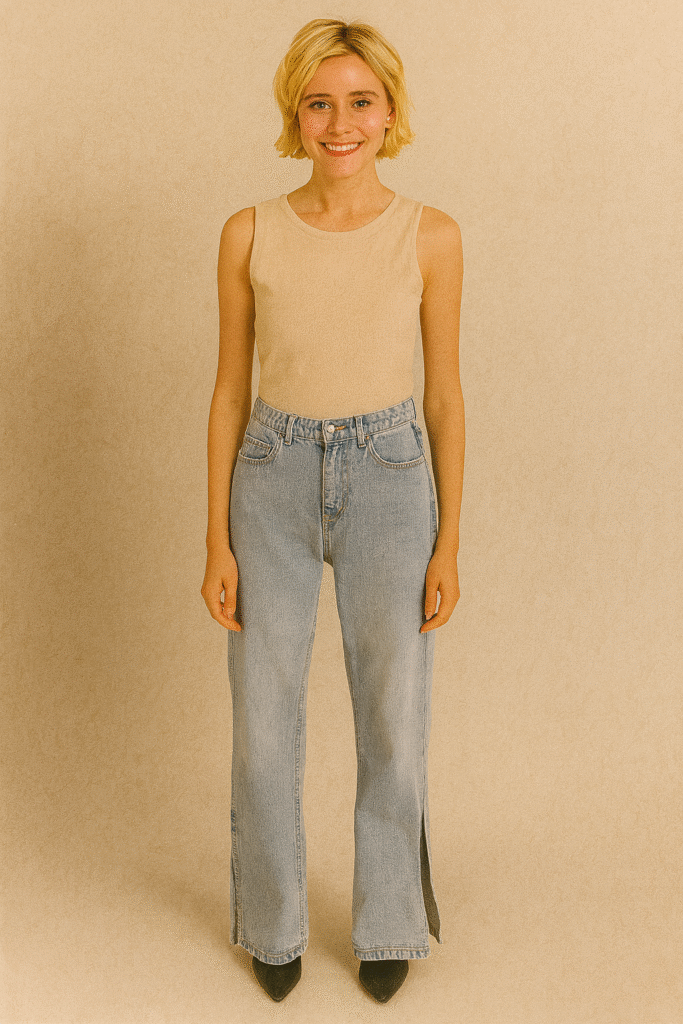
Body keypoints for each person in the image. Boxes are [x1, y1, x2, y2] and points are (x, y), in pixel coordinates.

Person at [201, 17, 464, 1004]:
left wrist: (448, 539)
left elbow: (444, 397)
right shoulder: (248, 232)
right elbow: (228, 390)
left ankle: (388, 917)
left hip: (390, 475)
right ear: (294, 113)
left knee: (391, 710)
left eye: (359, 101)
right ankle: (270, 924)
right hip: (270, 475)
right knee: (262, 714)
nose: (339, 122)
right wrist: (216, 536)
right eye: (319, 102)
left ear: (389, 113)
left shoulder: (429, 234)